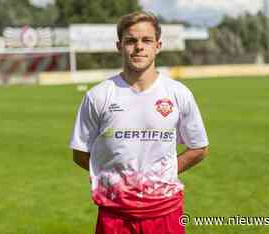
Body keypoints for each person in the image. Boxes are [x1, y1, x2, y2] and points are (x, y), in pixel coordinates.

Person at [69, 11, 209, 234]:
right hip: (115, 215)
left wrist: (166, 173)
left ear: (158, 45)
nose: (139, 47)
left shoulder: (178, 94)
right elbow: (80, 152)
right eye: (131, 41)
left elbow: (199, 148)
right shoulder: (98, 96)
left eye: (146, 40)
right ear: (119, 46)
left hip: (166, 212)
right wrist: (110, 176)